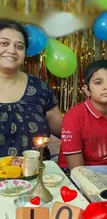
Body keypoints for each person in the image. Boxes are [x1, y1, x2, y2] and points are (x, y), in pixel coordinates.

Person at [0, 19, 62, 157]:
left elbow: (66, 131)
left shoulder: (38, 86)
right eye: (4, 43)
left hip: (37, 175)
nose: (12, 51)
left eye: (19, 46)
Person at [58, 59, 107, 171]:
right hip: (75, 171)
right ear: (87, 90)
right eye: (98, 82)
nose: (106, 87)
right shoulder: (73, 117)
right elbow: (77, 170)